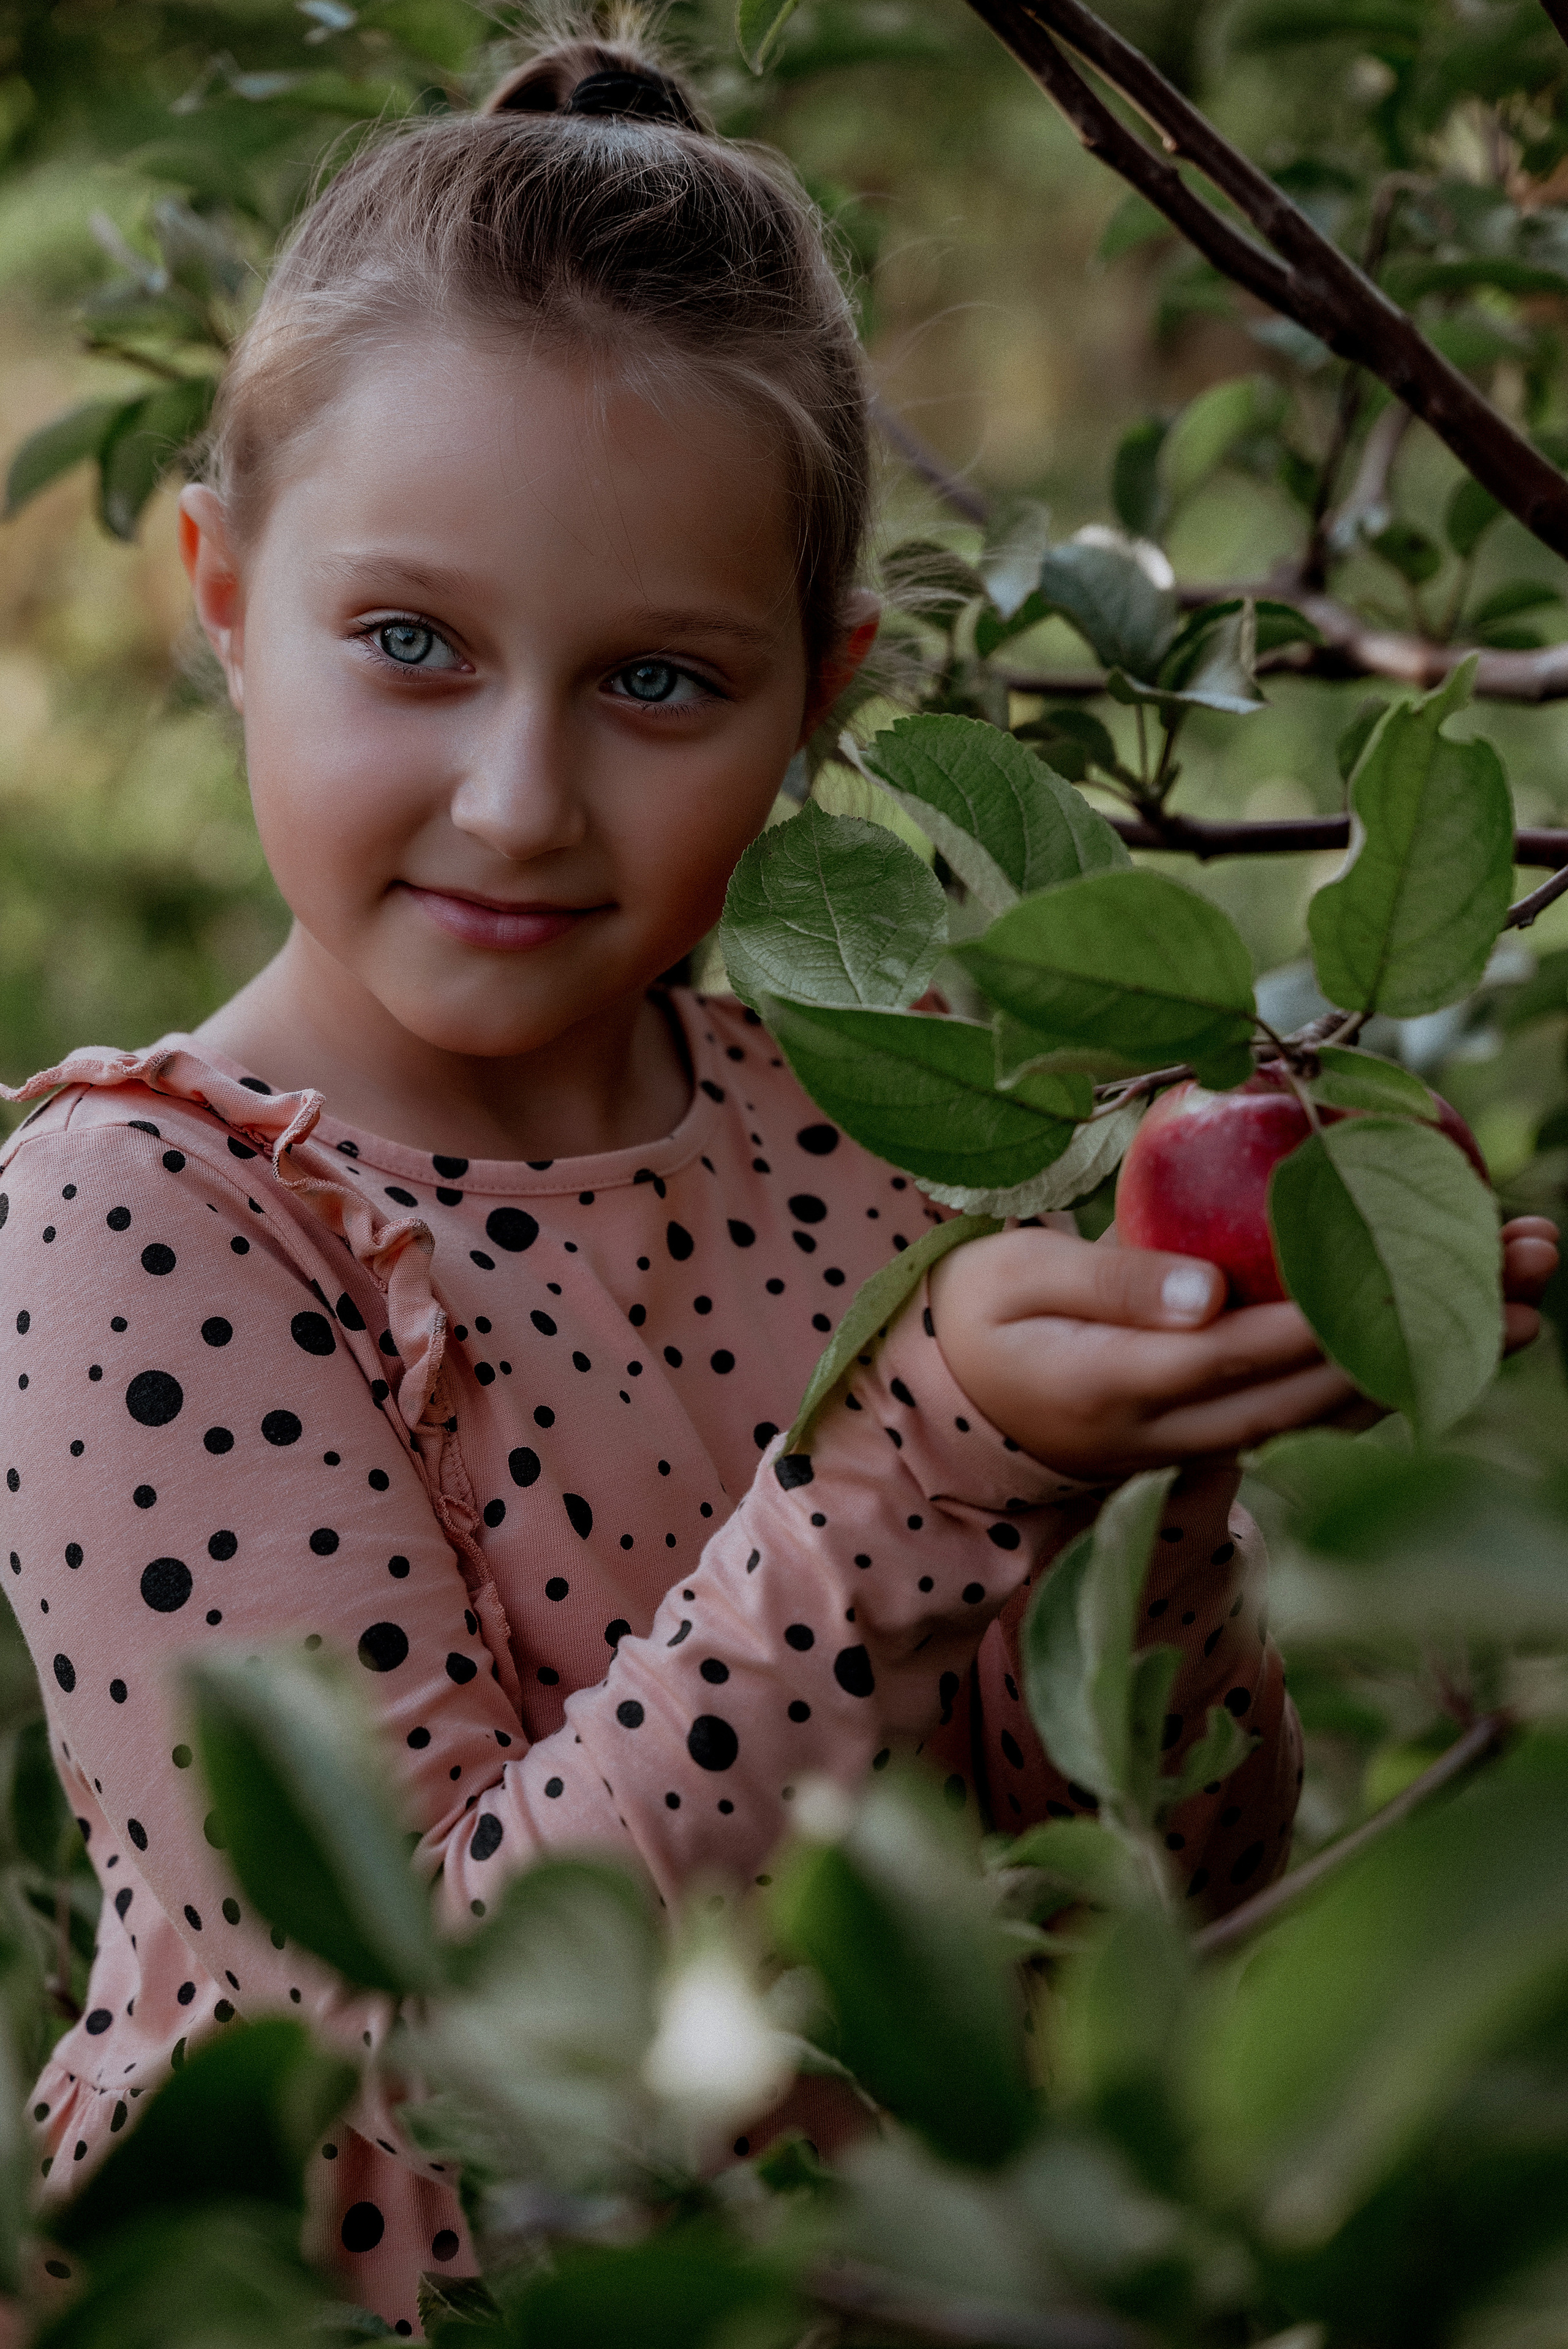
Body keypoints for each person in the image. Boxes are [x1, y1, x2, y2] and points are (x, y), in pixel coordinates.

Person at [1, 25, 1556, 2334]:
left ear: (818, 699)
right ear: (224, 602)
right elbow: (430, 2058)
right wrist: (936, 1463)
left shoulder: (878, 1130)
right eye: (410, 644)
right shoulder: (142, 1221)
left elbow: (1183, 1874)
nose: (520, 800)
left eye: (657, 683)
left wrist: (1142, 1475)